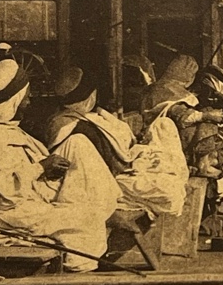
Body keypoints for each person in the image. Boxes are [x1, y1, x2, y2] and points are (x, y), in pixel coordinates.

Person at [0, 59, 120, 271]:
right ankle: (76, 276)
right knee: (87, 218)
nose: (29, 103)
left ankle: (105, 218)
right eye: (25, 98)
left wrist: (43, 172)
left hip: (24, 199)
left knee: (78, 147)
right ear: (13, 101)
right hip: (6, 215)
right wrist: (40, 168)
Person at [44, 66, 192, 218]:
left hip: (117, 170)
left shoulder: (82, 117)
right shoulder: (75, 126)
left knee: (163, 127)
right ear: (88, 96)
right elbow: (112, 165)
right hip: (105, 181)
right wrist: (140, 163)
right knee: (170, 191)